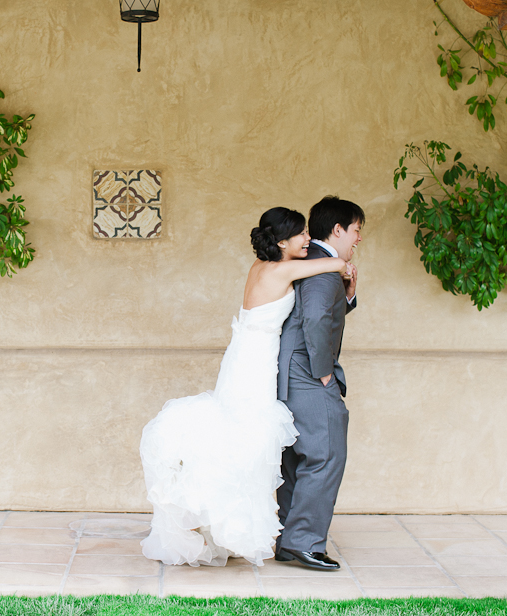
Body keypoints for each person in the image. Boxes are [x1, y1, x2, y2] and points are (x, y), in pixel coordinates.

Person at [139, 207, 352, 567]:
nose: (307, 241)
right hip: (256, 362)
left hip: (244, 355)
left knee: (239, 439)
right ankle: (227, 521)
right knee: (244, 443)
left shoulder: (261, 267)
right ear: (282, 242)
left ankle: (230, 523)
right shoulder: (283, 269)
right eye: (301, 235)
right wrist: (343, 268)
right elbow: (331, 264)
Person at [274, 195, 364, 572]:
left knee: (298, 459)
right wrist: (324, 371)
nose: (358, 239)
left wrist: (349, 295)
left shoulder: (315, 265)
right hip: (309, 373)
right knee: (326, 454)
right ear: (338, 229)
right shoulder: (324, 268)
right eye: (357, 230)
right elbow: (313, 317)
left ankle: (287, 539)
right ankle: (303, 542)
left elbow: (322, 309)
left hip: (291, 370)